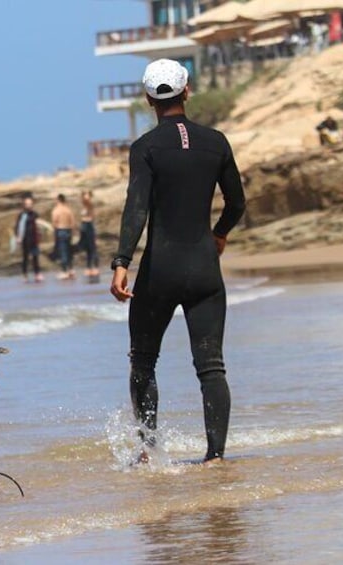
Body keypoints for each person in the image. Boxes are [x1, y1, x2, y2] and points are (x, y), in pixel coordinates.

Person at [109, 59, 246, 465]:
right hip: (205, 269)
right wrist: (218, 234)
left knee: (144, 361)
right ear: (187, 91)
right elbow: (237, 203)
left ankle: (150, 450)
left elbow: (137, 209)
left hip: (160, 272)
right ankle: (216, 456)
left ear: (149, 99)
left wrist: (121, 262)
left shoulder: (145, 149)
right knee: (211, 366)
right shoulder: (217, 142)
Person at [14, 195, 43, 282]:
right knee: (25, 258)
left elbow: (39, 225)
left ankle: (37, 274)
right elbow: (18, 227)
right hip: (25, 239)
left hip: (34, 239)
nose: (29, 205)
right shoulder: (22, 215)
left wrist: (40, 235)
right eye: (27, 204)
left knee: (35, 257)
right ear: (24, 205)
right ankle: (24, 275)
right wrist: (18, 237)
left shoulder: (35, 214)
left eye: (31, 204)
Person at [51, 194, 76, 280]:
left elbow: (54, 223)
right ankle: (71, 270)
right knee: (69, 251)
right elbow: (72, 222)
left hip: (60, 231)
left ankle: (65, 271)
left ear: (58, 200)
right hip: (68, 230)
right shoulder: (68, 210)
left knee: (63, 252)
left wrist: (54, 235)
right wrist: (72, 233)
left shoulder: (56, 210)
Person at [78, 191, 100, 278]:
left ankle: (95, 267)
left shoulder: (90, 206)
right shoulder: (83, 206)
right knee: (87, 249)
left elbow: (92, 217)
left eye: (87, 196)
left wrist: (85, 219)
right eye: (84, 196)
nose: (85, 198)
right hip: (84, 227)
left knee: (92, 248)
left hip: (89, 226)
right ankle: (89, 267)